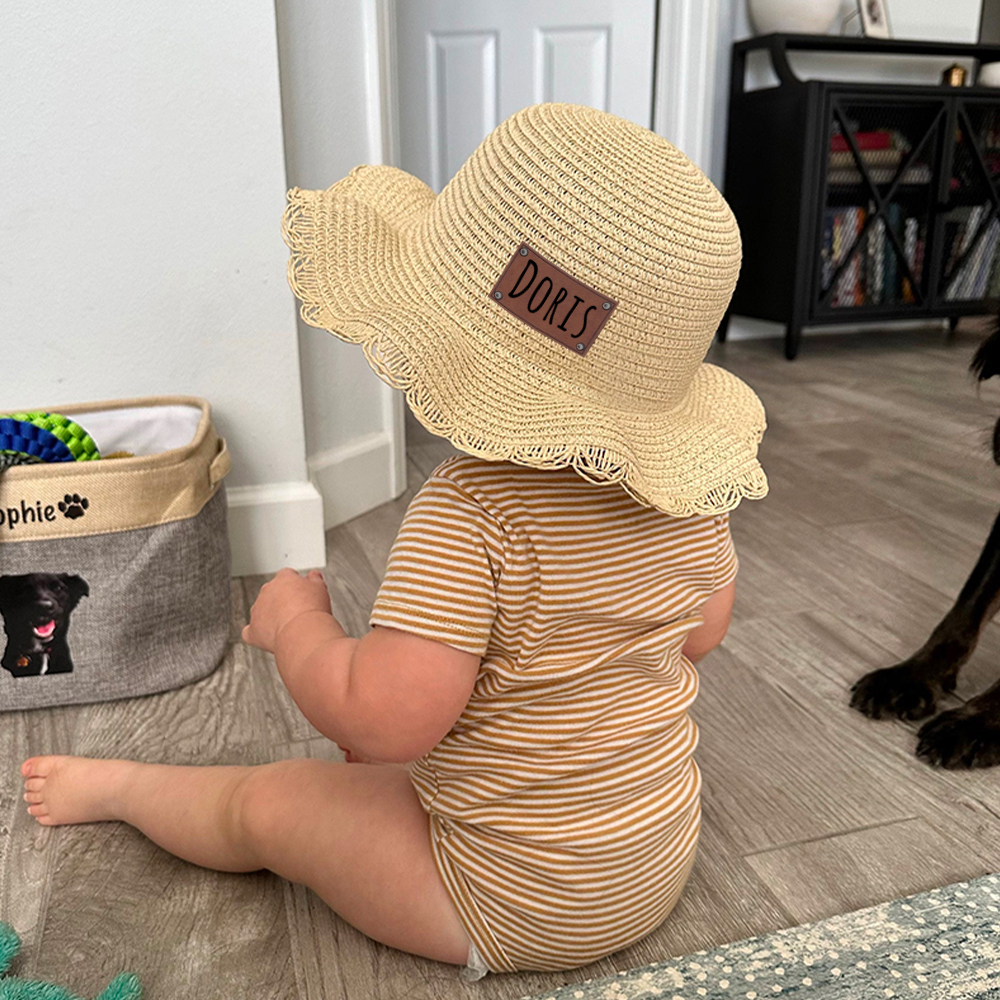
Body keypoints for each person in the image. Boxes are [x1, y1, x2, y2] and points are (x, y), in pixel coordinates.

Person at [20, 103, 767, 979]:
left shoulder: (471, 513)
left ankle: (122, 788)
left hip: (501, 895)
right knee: (395, 767)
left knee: (272, 799)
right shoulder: (689, 503)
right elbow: (702, 631)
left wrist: (296, 625)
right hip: (650, 859)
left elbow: (381, 722)